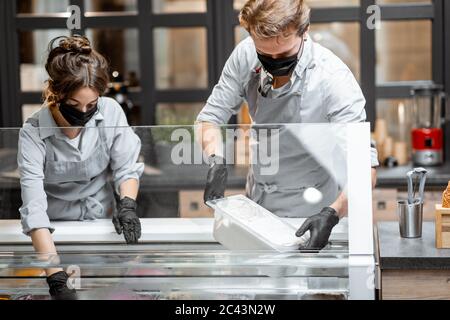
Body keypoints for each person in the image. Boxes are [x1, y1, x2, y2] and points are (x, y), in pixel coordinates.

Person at [197, 0, 378, 251]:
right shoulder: (245, 54)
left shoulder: (333, 79)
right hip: (256, 209)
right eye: (265, 55)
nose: (274, 61)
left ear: (304, 31)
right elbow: (210, 117)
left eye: (283, 55)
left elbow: (364, 170)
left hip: (310, 214)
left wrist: (332, 214)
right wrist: (215, 157)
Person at [17, 35, 144, 299]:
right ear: (57, 93)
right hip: (55, 237)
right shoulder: (32, 133)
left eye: (92, 105)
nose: (84, 112)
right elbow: (34, 209)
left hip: (104, 229)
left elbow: (126, 169)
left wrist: (128, 204)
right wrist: (56, 279)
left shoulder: (110, 112)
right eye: (74, 105)